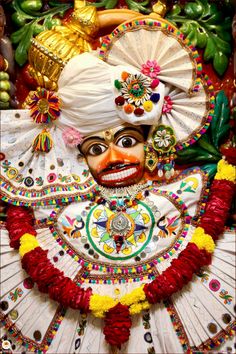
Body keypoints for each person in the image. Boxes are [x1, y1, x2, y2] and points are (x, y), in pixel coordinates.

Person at [0, 16, 235, 354]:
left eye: (126, 141)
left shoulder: (177, 194)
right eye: (96, 149)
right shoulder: (59, 207)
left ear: (150, 143)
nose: (114, 158)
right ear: (78, 154)